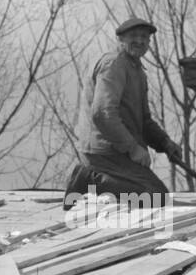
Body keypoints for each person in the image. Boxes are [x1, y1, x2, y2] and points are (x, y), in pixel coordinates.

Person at [65, 16, 183, 212]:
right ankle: (88, 178)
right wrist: (133, 149)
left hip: (118, 150)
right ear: (120, 39)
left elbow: (144, 121)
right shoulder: (114, 64)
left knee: (156, 196)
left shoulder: (136, 70)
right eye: (133, 36)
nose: (140, 41)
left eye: (144, 37)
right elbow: (103, 113)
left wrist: (165, 143)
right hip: (103, 152)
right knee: (155, 197)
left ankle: (94, 179)